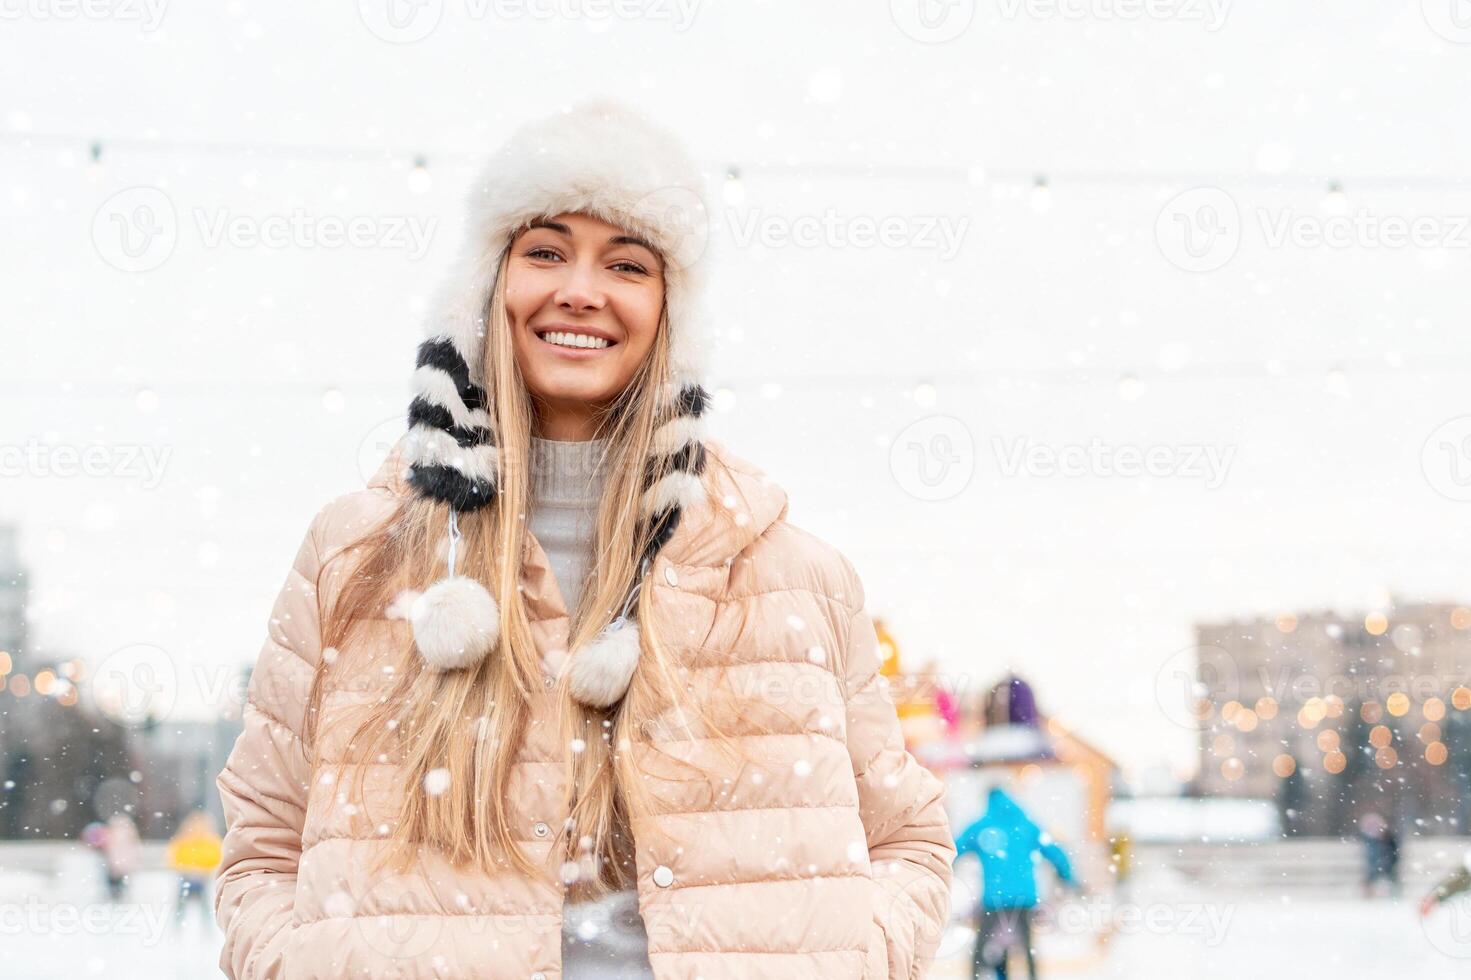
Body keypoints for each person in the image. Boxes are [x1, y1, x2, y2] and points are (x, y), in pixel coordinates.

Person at [213, 99, 955, 979]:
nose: (580, 290)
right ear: (489, 288)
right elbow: (262, 848)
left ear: (668, 313)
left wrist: (857, 956)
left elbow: (908, 840)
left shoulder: (794, 576)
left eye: (627, 263)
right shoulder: (357, 556)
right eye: (546, 251)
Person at [955, 787, 1075, 980]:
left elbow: (954, 848)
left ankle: (981, 976)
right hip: (1024, 898)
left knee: (982, 952)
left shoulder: (982, 825)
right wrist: (1067, 876)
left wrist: (935, 869)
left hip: (994, 899)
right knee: (1026, 949)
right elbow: (1054, 851)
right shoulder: (1026, 824)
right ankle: (1031, 976)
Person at [168, 809, 223, 929]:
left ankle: (182, 927)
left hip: (197, 877)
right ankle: (181, 927)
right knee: (195, 907)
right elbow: (176, 855)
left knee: (196, 907)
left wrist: (196, 868)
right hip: (190, 876)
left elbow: (215, 857)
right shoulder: (189, 840)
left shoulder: (205, 840)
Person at [100, 812, 140, 902]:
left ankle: (115, 895)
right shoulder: (129, 833)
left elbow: (107, 846)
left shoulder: (112, 833)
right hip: (119, 861)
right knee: (119, 880)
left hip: (115, 862)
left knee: (114, 880)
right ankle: (117, 895)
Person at [1359, 811, 1400, 898]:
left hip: (1386, 861)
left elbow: (1393, 852)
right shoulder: (1376, 841)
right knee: (1381, 877)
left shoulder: (1385, 840)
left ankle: (1394, 896)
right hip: (1383, 861)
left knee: (1389, 878)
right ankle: (1393, 896)